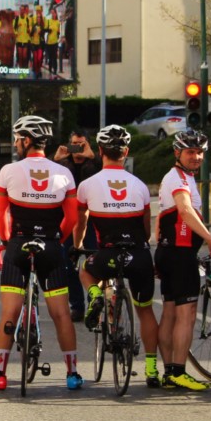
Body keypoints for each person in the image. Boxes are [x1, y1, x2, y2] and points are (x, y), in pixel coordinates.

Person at [0, 115, 82, 391]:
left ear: (26, 140)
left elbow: (0, 214)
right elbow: (71, 219)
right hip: (50, 245)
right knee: (61, 313)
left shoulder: (8, 171)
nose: (15, 144)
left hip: (18, 245)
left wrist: (5, 241)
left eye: (17, 139)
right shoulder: (64, 173)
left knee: (9, 311)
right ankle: (72, 374)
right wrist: (56, 239)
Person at [75, 125, 162, 387]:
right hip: (138, 255)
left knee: (86, 270)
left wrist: (78, 245)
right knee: (145, 311)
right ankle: (151, 369)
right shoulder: (141, 187)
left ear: (100, 151)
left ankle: (94, 295)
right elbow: (146, 231)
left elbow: (82, 223)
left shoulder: (87, 185)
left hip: (108, 255)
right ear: (126, 152)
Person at [154, 129, 211, 391]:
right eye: (190, 152)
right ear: (177, 153)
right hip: (179, 253)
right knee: (185, 315)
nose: (196, 156)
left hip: (170, 251)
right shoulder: (178, 179)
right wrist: (210, 238)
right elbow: (185, 210)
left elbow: (164, 214)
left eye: (200, 152)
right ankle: (177, 371)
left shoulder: (179, 178)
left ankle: (168, 373)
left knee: (169, 313)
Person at [52, 128, 100, 320]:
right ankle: (77, 306)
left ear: (87, 144)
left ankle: (94, 304)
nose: (77, 148)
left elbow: (108, 173)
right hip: (68, 220)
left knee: (95, 263)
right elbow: (44, 179)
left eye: (82, 144)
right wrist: (55, 161)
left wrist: (93, 157)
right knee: (67, 263)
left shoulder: (95, 163)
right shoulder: (61, 164)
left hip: (93, 221)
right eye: (74, 144)